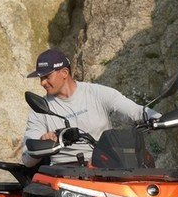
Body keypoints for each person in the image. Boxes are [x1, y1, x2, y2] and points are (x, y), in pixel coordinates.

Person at [21, 49, 159, 165]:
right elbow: (27, 158)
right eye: (40, 78)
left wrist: (157, 118)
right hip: (65, 171)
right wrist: (42, 142)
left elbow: (133, 111)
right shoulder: (39, 109)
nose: (42, 83)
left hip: (106, 165)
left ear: (64, 73)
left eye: (46, 76)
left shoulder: (96, 93)